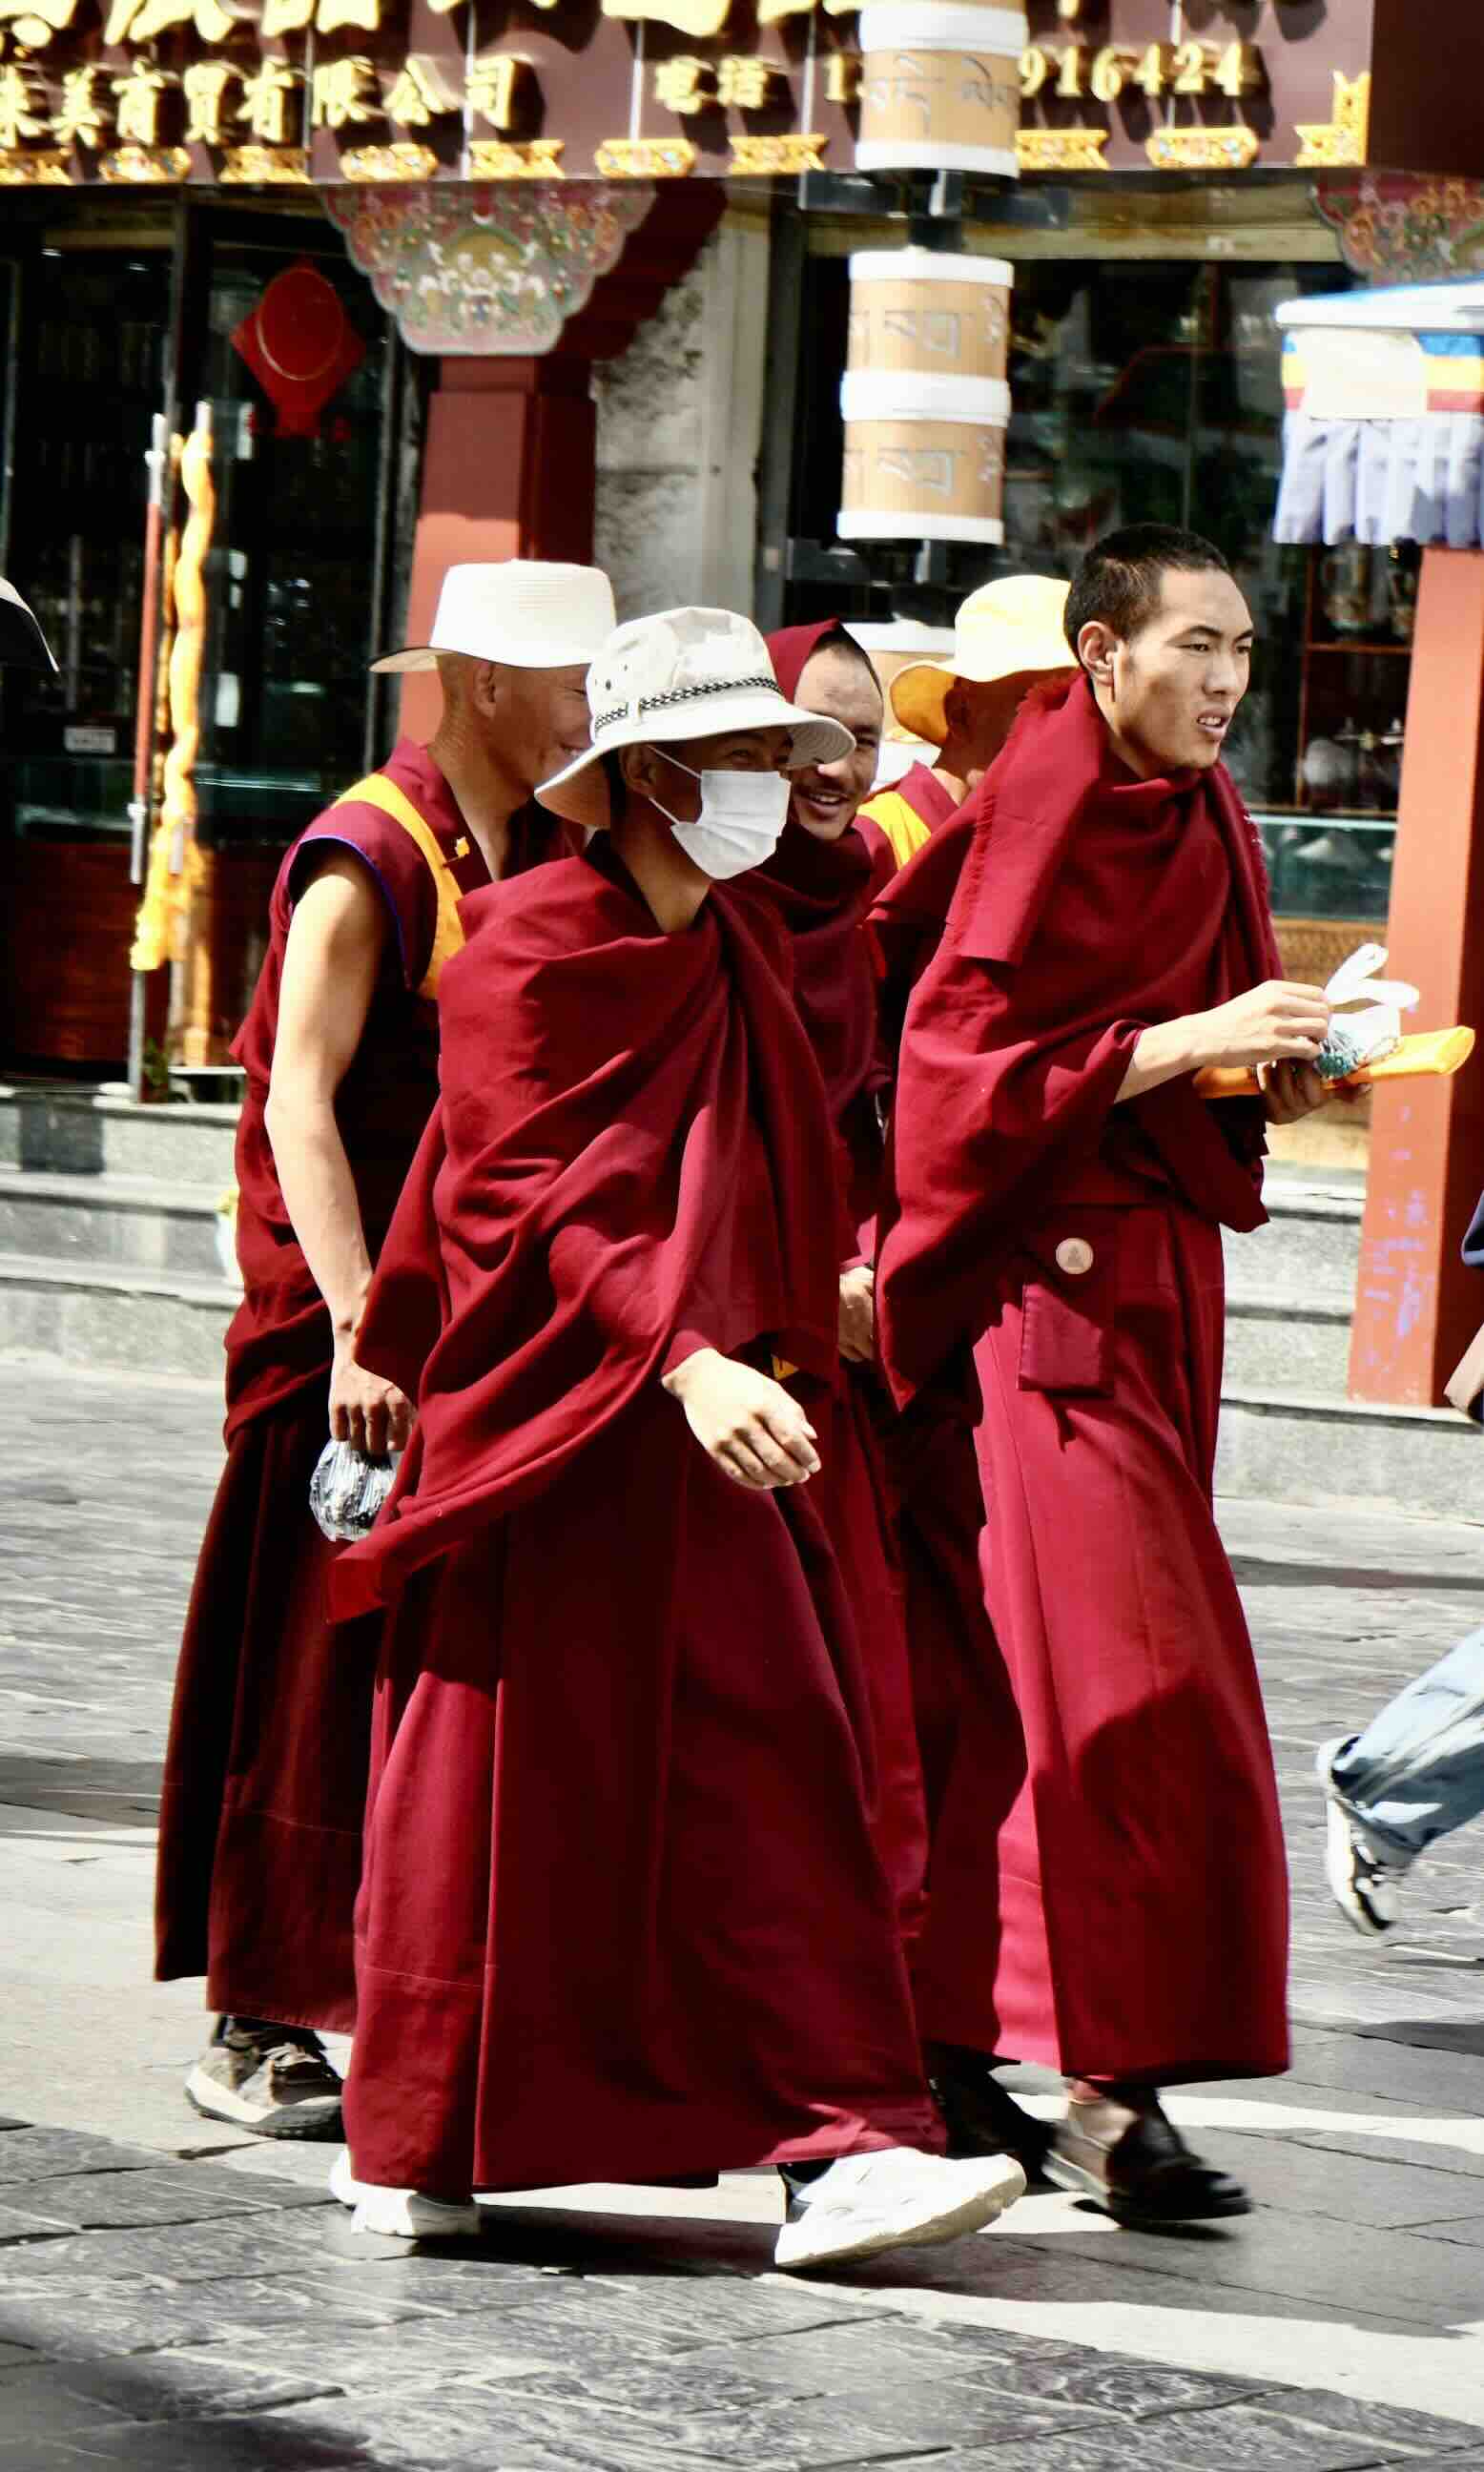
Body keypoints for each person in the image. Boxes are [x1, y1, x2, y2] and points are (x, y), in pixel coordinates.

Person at [326, 608, 1026, 2270]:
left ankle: (845, 2138)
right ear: (644, 775)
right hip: (567, 1421)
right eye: (747, 759)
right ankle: (430, 2126)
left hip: (712, 1427)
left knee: (774, 1760)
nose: (782, 790)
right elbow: (519, 1194)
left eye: (788, 760)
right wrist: (687, 1356)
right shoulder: (521, 948)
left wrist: (821, 1297)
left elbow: (788, 1143)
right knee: (498, 1777)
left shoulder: (732, 942)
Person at [876, 525, 1336, 2226]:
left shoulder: (1195, 802)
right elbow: (951, 1077)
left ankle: (996, 2058)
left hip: (1155, 1293)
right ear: (1097, 657)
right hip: (1039, 1307)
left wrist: (1262, 1076)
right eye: (1192, 645)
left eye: (1240, 648)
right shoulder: (1054, 798)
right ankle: (1094, 2087)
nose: (1224, 680)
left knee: (1083, 1696)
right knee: (1117, 1699)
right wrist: (1192, 1046)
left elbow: (1169, 1047)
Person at [154, 559, 616, 2136]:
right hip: (344, 1323)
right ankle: (257, 2014)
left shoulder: (546, 837)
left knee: (432, 1663)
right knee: (307, 1653)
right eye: (568, 688)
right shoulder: (367, 851)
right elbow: (299, 1096)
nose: (586, 715)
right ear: (483, 685)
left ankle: (421, 1984)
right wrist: (359, 1319)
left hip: (471, 1310)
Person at [859, 576, 1075, 874]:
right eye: (1041, 706)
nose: (1064, 736)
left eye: (1077, 713)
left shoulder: (1031, 848)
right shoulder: (876, 843)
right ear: (959, 713)